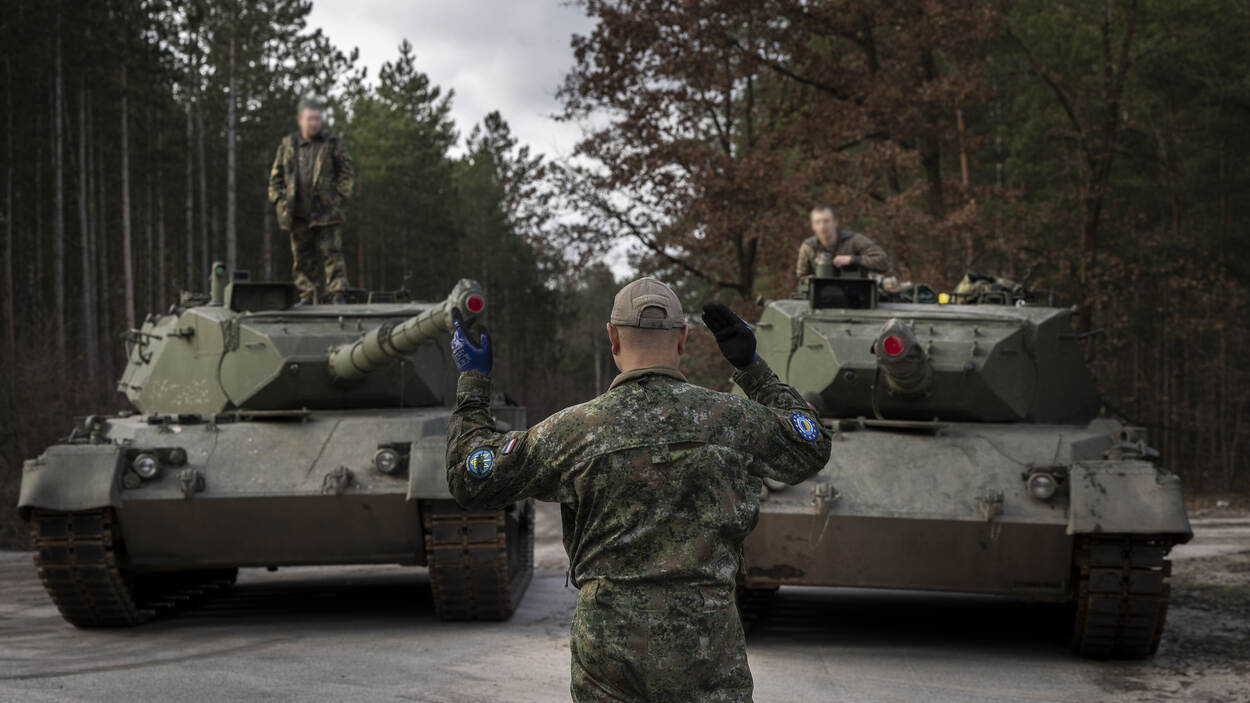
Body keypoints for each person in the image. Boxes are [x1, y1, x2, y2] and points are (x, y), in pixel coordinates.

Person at [445, 277, 831, 702]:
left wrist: (473, 386)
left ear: (612, 337)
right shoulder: (732, 420)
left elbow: (470, 480)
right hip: (706, 644)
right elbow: (810, 445)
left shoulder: (573, 431)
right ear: (683, 338)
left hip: (610, 649)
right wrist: (753, 367)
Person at [267, 97, 355, 304]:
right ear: (300, 119)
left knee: (332, 254)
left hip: (326, 211)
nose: (314, 123)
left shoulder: (332, 144)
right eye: (310, 119)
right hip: (296, 212)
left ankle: (337, 294)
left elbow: (347, 172)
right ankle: (307, 295)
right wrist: (279, 200)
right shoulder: (288, 145)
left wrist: (340, 197)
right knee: (302, 258)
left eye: (317, 119)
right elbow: (275, 178)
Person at [795, 204, 889, 282]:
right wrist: (815, 280)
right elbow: (801, 276)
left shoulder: (854, 240)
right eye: (817, 222)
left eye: (826, 221)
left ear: (835, 222)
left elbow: (883, 261)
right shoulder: (808, 247)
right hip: (820, 296)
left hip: (857, 294)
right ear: (813, 226)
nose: (822, 226)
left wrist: (852, 259)